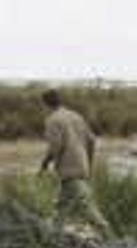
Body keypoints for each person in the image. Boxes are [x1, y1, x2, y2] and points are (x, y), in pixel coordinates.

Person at [38, 89, 110, 233]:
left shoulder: (53, 120)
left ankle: (105, 231)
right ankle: (55, 231)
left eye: (43, 106)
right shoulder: (76, 116)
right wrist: (89, 163)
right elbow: (92, 140)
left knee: (86, 204)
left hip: (69, 169)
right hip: (82, 166)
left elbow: (55, 147)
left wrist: (44, 164)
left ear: (45, 104)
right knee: (61, 204)